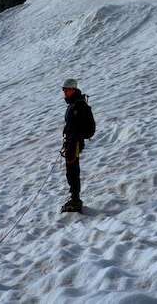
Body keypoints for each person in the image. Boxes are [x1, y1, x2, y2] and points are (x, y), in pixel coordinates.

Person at [60, 78, 90, 213]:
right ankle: (74, 197)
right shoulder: (73, 105)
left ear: (73, 89)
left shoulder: (80, 106)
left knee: (73, 171)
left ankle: (76, 199)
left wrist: (77, 138)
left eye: (66, 90)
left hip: (75, 143)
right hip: (71, 143)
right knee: (71, 171)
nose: (64, 92)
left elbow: (90, 128)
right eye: (64, 90)